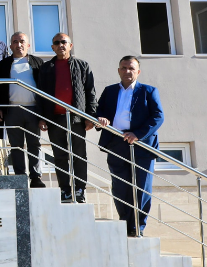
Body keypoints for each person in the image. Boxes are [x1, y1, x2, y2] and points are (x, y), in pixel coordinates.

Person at [96, 56, 164, 237]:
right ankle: (125, 224)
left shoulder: (149, 91)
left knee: (141, 187)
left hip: (141, 144)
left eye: (131, 68)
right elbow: (99, 110)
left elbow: (158, 117)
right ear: (118, 70)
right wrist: (101, 118)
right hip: (116, 142)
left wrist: (138, 134)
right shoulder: (109, 91)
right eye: (124, 68)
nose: (127, 71)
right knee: (120, 186)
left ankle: (138, 226)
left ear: (138, 72)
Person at [37, 33, 97, 203]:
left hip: (76, 119)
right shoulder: (46, 68)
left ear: (70, 45)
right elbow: (40, 94)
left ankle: (79, 189)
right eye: (57, 42)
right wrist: (42, 118)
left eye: (64, 42)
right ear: (52, 47)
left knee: (78, 155)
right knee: (60, 156)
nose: (61, 45)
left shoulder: (82, 66)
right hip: (54, 118)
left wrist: (90, 116)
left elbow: (90, 92)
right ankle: (65, 190)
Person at [0, 32, 46, 188]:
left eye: (22, 41)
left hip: (33, 109)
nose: (19, 44)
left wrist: (43, 114)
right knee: (16, 145)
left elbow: (45, 88)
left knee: (34, 144)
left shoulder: (37, 63)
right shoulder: (3, 65)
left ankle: (36, 177)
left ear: (28, 45)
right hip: (12, 110)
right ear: (10, 46)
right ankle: (20, 177)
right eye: (15, 42)